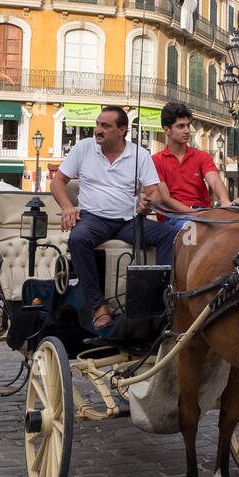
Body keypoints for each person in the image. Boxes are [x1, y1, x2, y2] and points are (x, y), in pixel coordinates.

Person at [50, 106, 195, 332]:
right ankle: (98, 306)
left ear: (122, 130)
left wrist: (147, 203)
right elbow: (57, 182)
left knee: (171, 235)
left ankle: (163, 298)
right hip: (93, 219)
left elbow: (154, 191)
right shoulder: (83, 148)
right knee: (78, 239)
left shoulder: (140, 154)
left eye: (105, 126)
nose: (98, 130)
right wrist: (68, 207)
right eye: (97, 125)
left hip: (129, 222)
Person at [152, 101, 239, 230]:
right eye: (181, 126)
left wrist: (225, 203)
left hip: (204, 212)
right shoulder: (156, 161)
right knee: (197, 229)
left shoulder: (201, 156)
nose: (187, 130)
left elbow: (214, 180)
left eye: (188, 125)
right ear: (166, 130)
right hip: (176, 216)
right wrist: (196, 214)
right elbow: (165, 199)